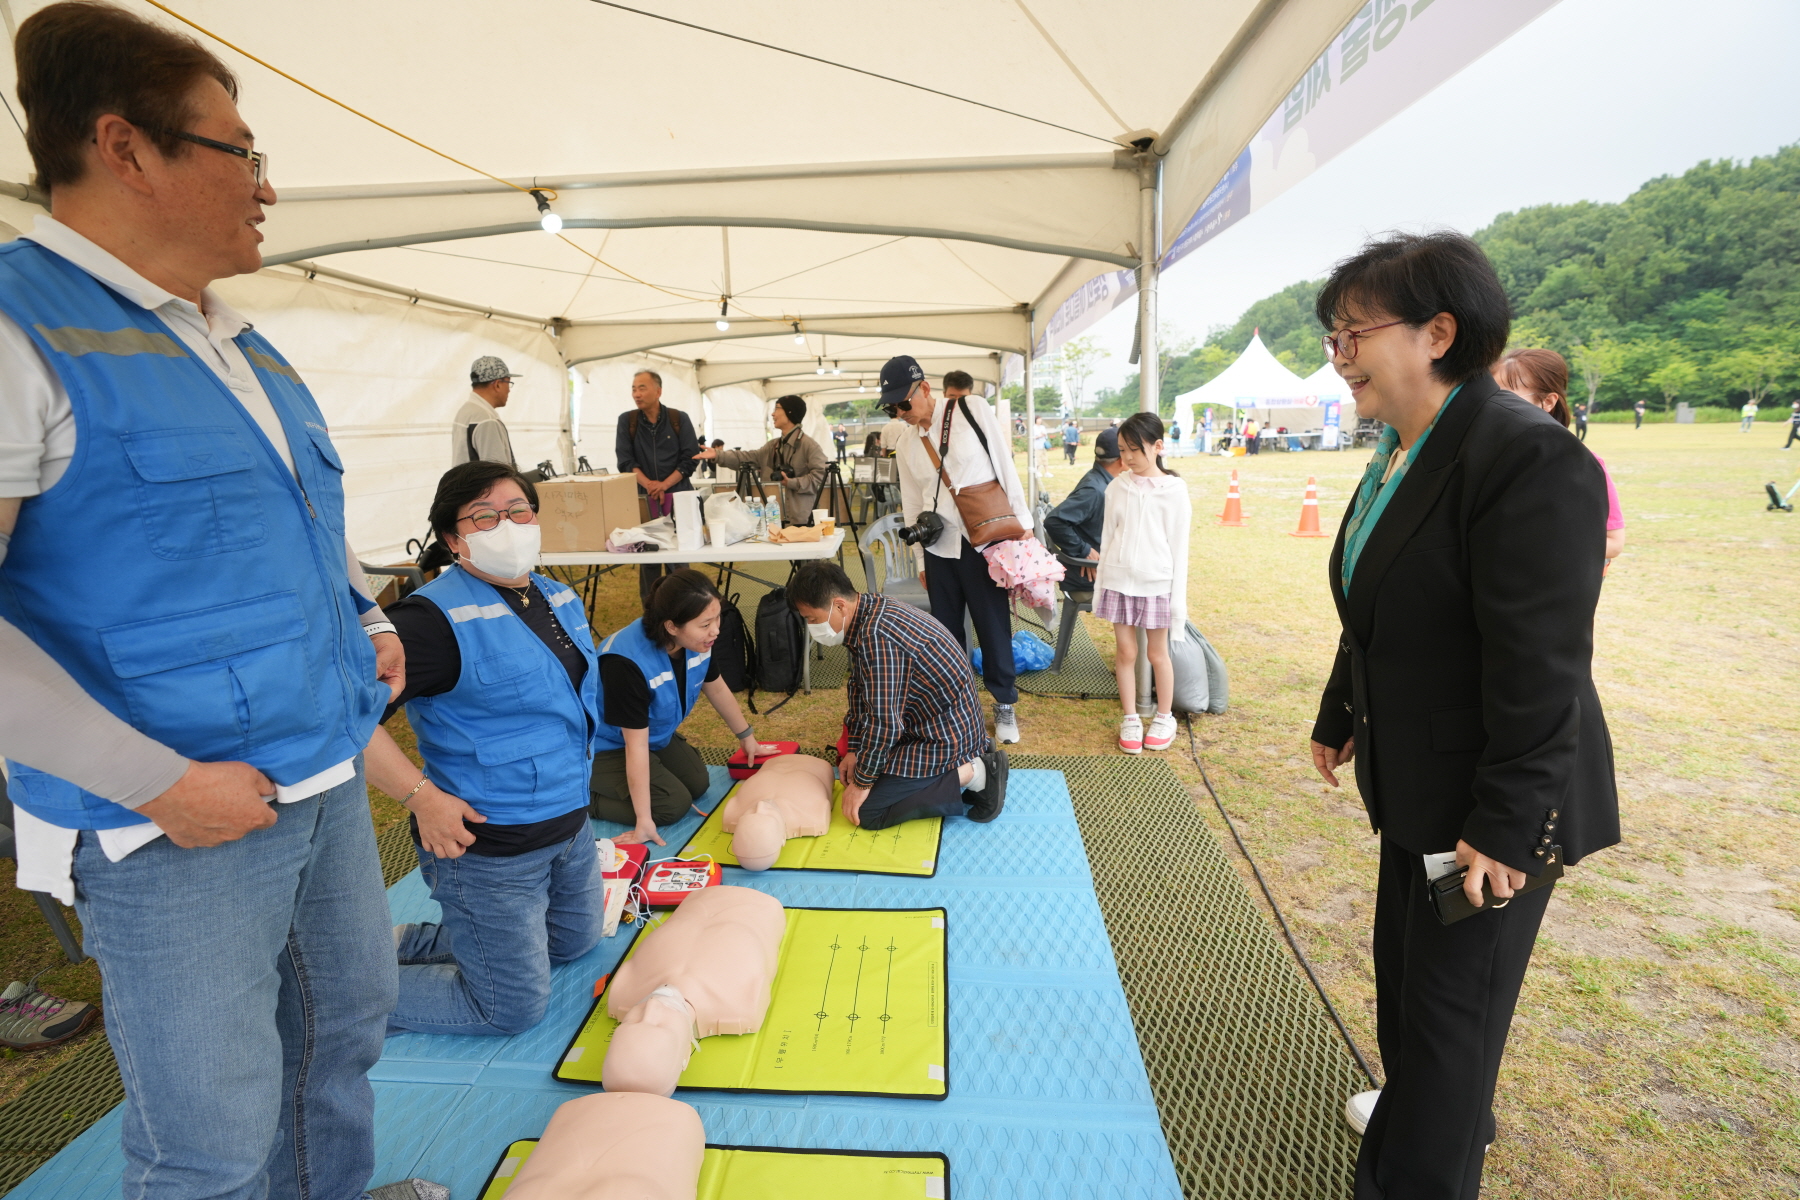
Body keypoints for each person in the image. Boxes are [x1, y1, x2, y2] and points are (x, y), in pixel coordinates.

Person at [0, 7, 438, 1198]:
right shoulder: (16, 329)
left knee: (343, 1033)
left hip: (322, 769)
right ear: (126, 148)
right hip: (173, 818)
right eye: (242, 152)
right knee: (208, 1134)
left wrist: (373, 618)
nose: (267, 188)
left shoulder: (240, 341)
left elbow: (298, 522)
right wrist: (152, 783)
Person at [1307, 232, 1618, 1200]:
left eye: (1353, 331)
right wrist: (1339, 708)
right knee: (1417, 1013)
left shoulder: (1525, 457)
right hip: (1420, 787)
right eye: (1332, 335)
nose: (1340, 354)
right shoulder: (1405, 451)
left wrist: (1502, 826)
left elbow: (1542, 668)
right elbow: (1380, 602)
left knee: (1444, 1034)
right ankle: (1429, 1130)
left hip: (1492, 808)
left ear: (1439, 331)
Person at [368, 461, 603, 1038]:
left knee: (574, 944)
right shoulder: (428, 623)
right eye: (484, 516)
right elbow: (343, 722)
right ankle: (336, 996)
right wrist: (422, 798)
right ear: (453, 539)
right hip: (491, 850)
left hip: (568, 829)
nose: (507, 524)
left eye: (518, 509)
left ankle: (417, 942)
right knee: (509, 1008)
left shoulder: (557, 596)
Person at [883, 354, 1032, 745]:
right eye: (891, 407)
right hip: (938, 548)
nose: (900, 412)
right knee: (946, 634)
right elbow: (912, 504)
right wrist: (920, 559)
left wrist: (1025, 527)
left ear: (925, 389)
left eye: (904, 403)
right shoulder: (905, 443)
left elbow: (1005, 467)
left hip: (984, 542)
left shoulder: (971, 409)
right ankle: (956, 704)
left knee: (992, 625)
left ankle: (1004, 702)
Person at [787, 562, 1006, 827]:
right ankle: (969, 761)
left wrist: (862, 782)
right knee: (867, 770)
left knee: (867, 812)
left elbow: (885, 723)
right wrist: (855, 750)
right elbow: (861, 691)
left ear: (839, 605)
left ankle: (974, 772)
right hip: (926, 722)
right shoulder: (868, 610)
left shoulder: (878, 638)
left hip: (943, 736)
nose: (812, 626)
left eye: (812, 619)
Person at [589, 570, 760, 845]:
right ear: (671, 626)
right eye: (705, 624)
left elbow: (715, 686)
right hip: (605, 747)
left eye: (717, 617)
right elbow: (635, 746)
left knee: (697, 783)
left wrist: (747, 738)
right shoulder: (624, 663)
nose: (715, 629)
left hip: (652, 736)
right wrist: (644, 820)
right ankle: (583, 800)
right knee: (671, 806)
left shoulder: (696, 640)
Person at [1095, 414, 1191, 754]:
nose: (1128, 458)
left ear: (1158, 446)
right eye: (1123, 450)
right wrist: (1103, 582)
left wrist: (1178, 601)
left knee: (1157, 653)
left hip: (1156, 583)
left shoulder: (1175, 491)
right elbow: (1108, 537)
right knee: (1125, 652)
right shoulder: (1117, 486)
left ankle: (1164, 716)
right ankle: (1131, 717)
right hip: (1120, 581)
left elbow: (1180, 548)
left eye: (1135, 449)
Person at [1495, 349, 1625, 568]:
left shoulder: (1581, 464)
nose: (1494, 408)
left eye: (1507, 399)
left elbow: (1613, 543)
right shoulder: (1479, 457)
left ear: (1548, 402)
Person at [615, 369, 699, 605]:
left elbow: (689, 458)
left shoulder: (678, 419)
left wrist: (664, 484)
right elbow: (625, 461)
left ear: (658, 391)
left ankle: (684, 607)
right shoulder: (627, 421)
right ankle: (651, 611)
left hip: (678, 498)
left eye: (642, 387)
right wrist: (651, 486)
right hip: (644, 499)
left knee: (679, 558)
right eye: (633, 388)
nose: (636, 393)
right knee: (648, 556)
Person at [693, 394, 827, 526]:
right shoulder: (773, 446)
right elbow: (747, 457)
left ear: (790, 412)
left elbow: (821, 477)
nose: (773, 414)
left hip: (801, 520)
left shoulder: (809, 446)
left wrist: (792, 482)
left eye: (777, 409)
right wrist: (718, 455)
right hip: (774, 519)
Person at [1043, 427, 1123, 574]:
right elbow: (1054, 521)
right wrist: (1085, 551)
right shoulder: (1094, 490)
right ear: (1122, 459)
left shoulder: (1101, 480)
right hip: (1090, 578)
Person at [452, 355, 519, 468]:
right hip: (482, 486)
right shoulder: (486, 419)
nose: (509, 390)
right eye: (508, 383)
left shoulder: (465, 411)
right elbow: (497, 474)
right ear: (497, 384)